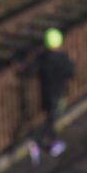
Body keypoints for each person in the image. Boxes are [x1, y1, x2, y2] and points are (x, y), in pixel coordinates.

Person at [21, 27, 76, 165]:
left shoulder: (42, 58)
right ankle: (37, 142)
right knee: (52, 119)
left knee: (50, 117)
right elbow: (71, 72)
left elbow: (30, 71)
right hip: (57, 94)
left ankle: (53, 143)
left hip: (45, 94)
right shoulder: (62, 58)